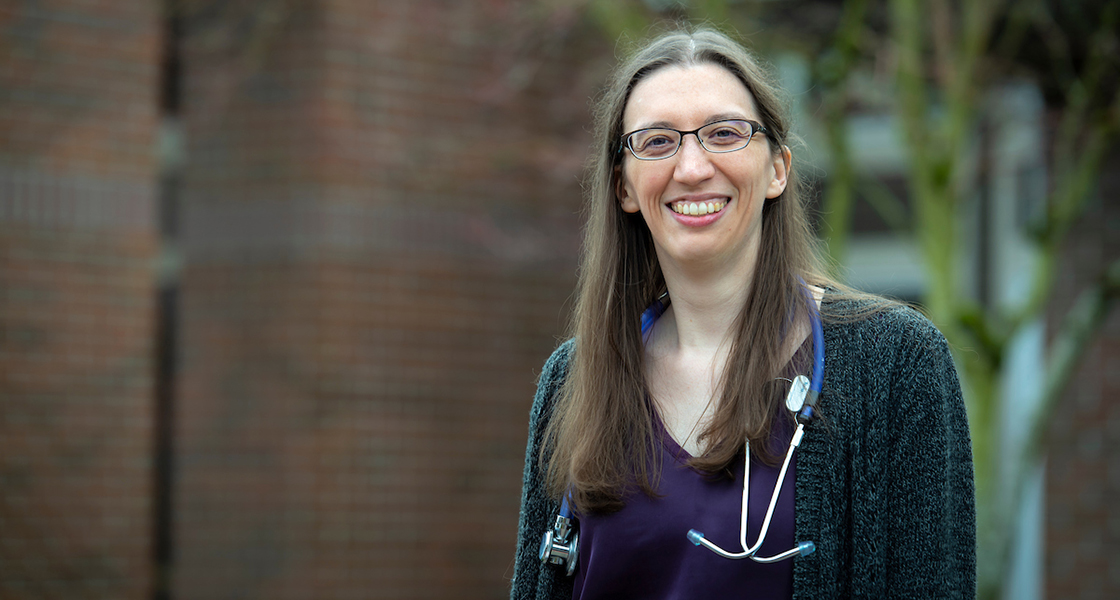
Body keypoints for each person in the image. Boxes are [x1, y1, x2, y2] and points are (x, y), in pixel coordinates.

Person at [511, 27, 975, 600]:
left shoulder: (896, 364)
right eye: (656, 142)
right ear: (624, 188)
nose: (691, 167)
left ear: (777, 169)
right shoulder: (571, 381)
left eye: (724, 133)